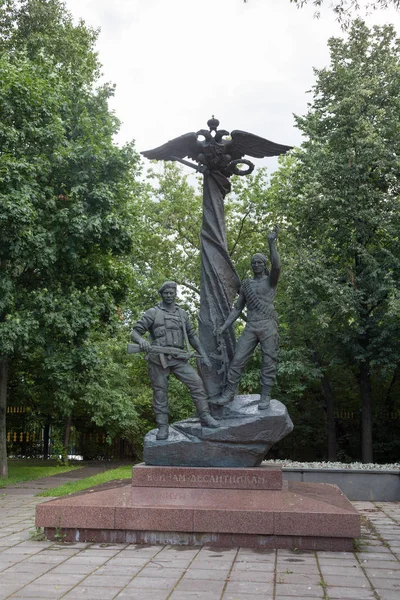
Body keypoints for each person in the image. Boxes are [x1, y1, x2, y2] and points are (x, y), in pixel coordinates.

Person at [131, 281, 219, 440]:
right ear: (161, 294)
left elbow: (192, 336)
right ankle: (162, 427)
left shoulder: (182, 314)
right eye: (166, 293)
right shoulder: (153, 312)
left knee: (197, 384)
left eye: (172, 293)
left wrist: (204, 355)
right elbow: (135, 333)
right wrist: (141, 341)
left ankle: (205, 416)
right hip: (158, 359)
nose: (169, 296)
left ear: (175, 294)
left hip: (179, 358)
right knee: (160, 393)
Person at [215, 227, 281, 410]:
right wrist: (224, 327)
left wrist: (271, 242)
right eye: (254, 263)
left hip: (268, 325)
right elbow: (237, 309)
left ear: (264, 264)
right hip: (251, 326)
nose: (256, 265)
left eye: (260, 262)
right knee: (237, 359)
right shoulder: (246, 285)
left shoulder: (270, 281)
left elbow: (277, 266)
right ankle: (229, 393)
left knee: (268, 361)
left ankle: (265, 395)